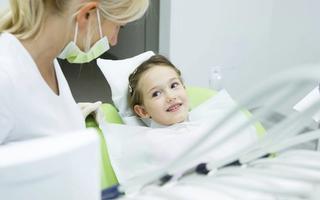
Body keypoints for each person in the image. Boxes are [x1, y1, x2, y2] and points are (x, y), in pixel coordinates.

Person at [0, 0, 149, 144]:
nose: (113, 40)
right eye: (118, 26)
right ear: (86, 15)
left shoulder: (48, 63)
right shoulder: (6, 75)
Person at [128, 54, 190, 126]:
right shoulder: (148, 137)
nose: (171, 97)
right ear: (143, 111)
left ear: (184, 87)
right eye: (156, 93)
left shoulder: (204, 117)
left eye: (174, 85)